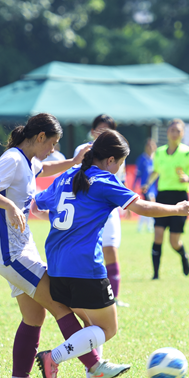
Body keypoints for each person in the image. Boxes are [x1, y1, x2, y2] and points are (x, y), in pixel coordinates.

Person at [32, 129, 189, 378]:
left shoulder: (68, 176)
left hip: (57, 264)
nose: (119, 169)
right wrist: (177, 209)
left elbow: (37, 206)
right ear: (110, 160)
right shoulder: (103, 180)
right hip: (85, 266)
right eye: (120, 163)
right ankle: (54, 357)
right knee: (108, 328)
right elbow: (141, 206)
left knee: (89, 324)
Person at [0, 113, 124, 378]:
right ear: (40, 137)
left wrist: (72, 163)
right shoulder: (13, 159)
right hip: (12, 253)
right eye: (52, 143)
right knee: (59, 305)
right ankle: (94, 368)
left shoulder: (28, 161)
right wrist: (8, 206)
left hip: (20, 248)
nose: (52, 150)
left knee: (34, 316)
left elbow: (46, 168)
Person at [142, 119, 189, 279]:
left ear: (182, 133)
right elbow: (156, 171)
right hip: (162, 196)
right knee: (157, 234)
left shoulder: (188, 152)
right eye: (172, 130)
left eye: (178, 130)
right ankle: (155, 274)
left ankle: (183, 255)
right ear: (167, 133)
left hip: (180, 198)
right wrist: (147, 184)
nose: (174, 133)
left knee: (174, 241)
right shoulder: (160, 152)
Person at [73, 114, 127, 305]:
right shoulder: (82, 150)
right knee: (87, 249)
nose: (103, 133)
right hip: (88, 208)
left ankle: (114, 296)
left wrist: (125, 202)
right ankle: (88, 294)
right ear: (93, 130)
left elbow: (122, 180)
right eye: (100, 129)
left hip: (110, 208)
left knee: (110, 249)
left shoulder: (118, 152)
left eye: (108, 129)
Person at [133, 137, 157, 233]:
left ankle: (142, 226)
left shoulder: (156, 159)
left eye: (152, 145)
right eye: (149, 146)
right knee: (150, 204)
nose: (150, 148)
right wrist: (134, 184)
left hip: (154, 187)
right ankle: (149, 226)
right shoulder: (142, 159)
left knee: (149, 206)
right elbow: (138, 173)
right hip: (145, 187)